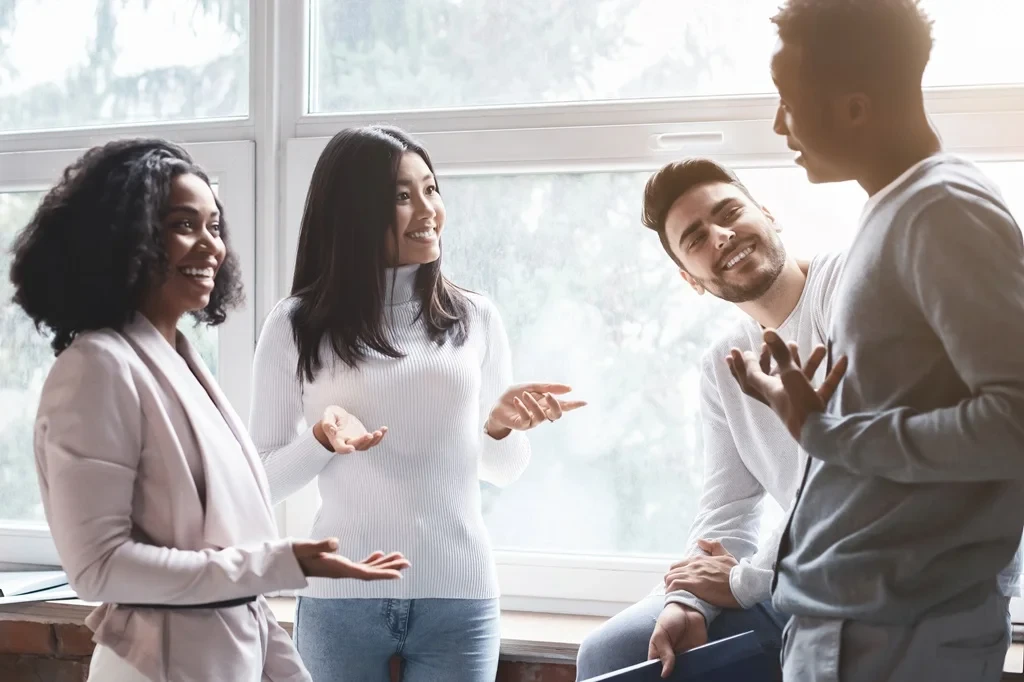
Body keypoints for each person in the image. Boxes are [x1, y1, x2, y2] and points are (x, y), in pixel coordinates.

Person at [10, 139, 409, 682]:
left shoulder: (184, 362)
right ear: (125, 239)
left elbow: (239, 576)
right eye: (183, 224)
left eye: (214, 227)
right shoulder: (96, 368)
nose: (210, 246)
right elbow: (98, 568)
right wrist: (284, 562)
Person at [728, 1, 1024, 680]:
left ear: (855, 108)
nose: (779, 125)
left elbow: (1014, 421)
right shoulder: (893, 208)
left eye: (788, 102)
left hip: (899, 629)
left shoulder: (943, 210)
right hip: (856, 616)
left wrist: (826, 432)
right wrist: (815, 411)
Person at [249, 125, 585, 682]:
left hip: (459, 597)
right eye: (403, 196)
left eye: (431, 189)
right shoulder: (296, 325)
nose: (428, 209)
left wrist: (500, 429)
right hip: (341, 597)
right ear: (354, 213)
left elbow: (503, 470)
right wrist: (320, 443)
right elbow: (258, 482)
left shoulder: (474, 318)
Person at [575, 157, 843, 681]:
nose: (720, 236)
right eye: (695, 238)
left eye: (730, 213)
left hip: (852, 572)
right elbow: (727, 509)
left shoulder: (844, 287)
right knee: (612, 655)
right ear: (690, 278)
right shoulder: (724, 364)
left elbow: (847, 480)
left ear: (767, 213)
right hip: (785, 581)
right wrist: (688, 602)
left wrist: (747, 581)